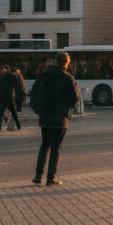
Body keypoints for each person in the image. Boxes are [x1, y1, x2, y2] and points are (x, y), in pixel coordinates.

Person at [31, 52, 80, 186]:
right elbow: (75, 96)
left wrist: (39, 109)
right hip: (60, 117)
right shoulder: (67, 78)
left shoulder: (44, 75)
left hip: (45, 116)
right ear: (67, 63)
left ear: (55, 61)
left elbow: (33, 92)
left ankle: (38, 175)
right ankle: (51, 177)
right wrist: (66, 106)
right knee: (56, 148)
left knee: (45, 144)